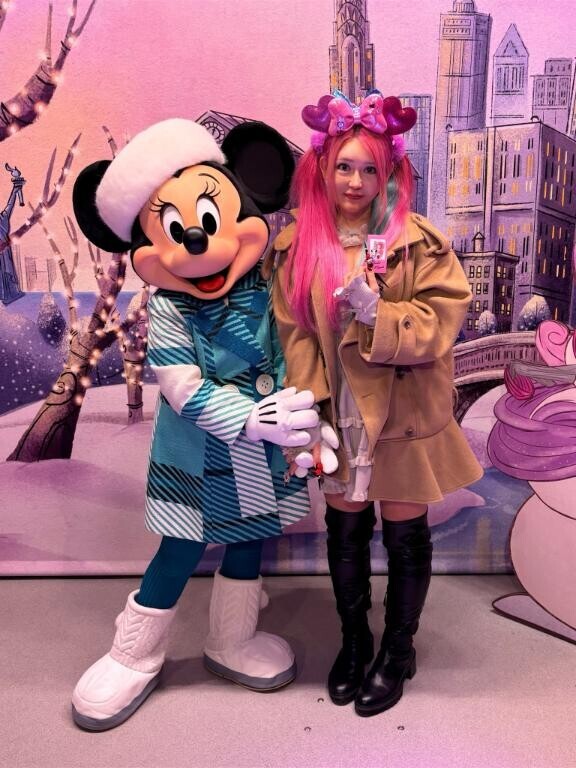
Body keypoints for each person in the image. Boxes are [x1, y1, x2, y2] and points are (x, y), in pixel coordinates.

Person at [69, 118, 321, 731]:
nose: (201, 244)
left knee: (251, 537)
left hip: (260, 452)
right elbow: (182, 388)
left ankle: (232, 639)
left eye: (210, 220)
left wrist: (302, 415)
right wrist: (252, 416)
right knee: (182, 544)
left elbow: (287, 350)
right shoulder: (168, 309)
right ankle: (133, 654)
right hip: (199, 455)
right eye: (175, 231)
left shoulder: (264, 284)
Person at [268, 90, 483, 718]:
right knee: (346, 530)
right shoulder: (299, 247)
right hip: (341, 412)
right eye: (344, 166)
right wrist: (312, 413)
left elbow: (440, 324)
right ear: (322, 168)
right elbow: (296, 335)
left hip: (403, 413)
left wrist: (378, 314)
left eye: (370, 168)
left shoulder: (420, 245)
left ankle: (398, 648)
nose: (356, 182)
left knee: (406, 533)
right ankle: (355, 639)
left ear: (389, 172)